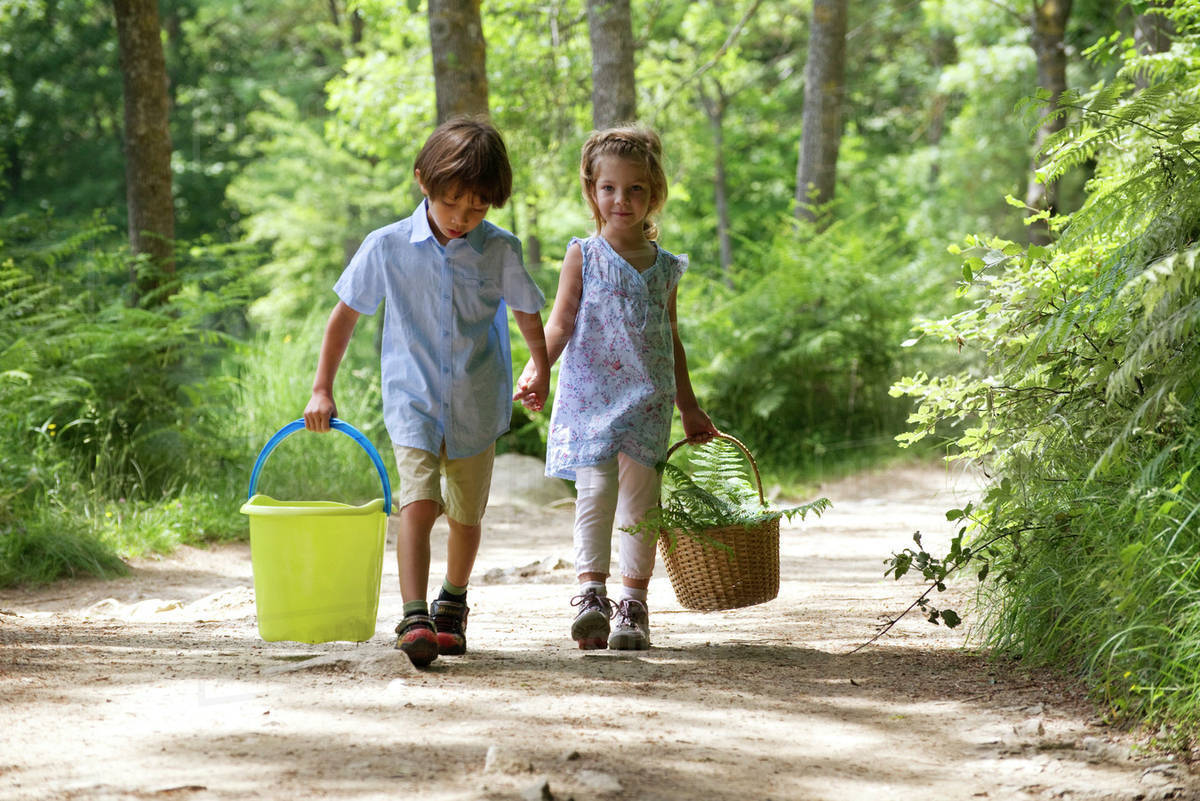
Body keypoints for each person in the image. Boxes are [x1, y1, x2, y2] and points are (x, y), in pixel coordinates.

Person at [304, 118, 550, 668]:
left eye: (477, 208)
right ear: (423, 181)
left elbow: (526, 311)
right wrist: (322, 388)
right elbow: (344, 317)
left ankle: (452, 604)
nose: (462, 218)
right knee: (416, 505)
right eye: (451, 203)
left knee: (465, 516)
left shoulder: (500, 250)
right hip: (412, 399)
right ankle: (414, 616)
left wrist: (540, 367)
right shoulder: (386, 246)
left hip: (477, 402)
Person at [518, 125, 717, 651]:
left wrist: (690, 406)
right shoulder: (583, 255)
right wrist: (538, 368)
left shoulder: (665, 267)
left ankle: (633, 604)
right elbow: (560, 323)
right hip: (590, 395)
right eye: (609, 188)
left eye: (635, 189)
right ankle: (591, 596)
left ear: (654, 195)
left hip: (648, 398)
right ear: (593, 191)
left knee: (641, 501)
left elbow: (671, 340)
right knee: (595, 493)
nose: (621, 200)